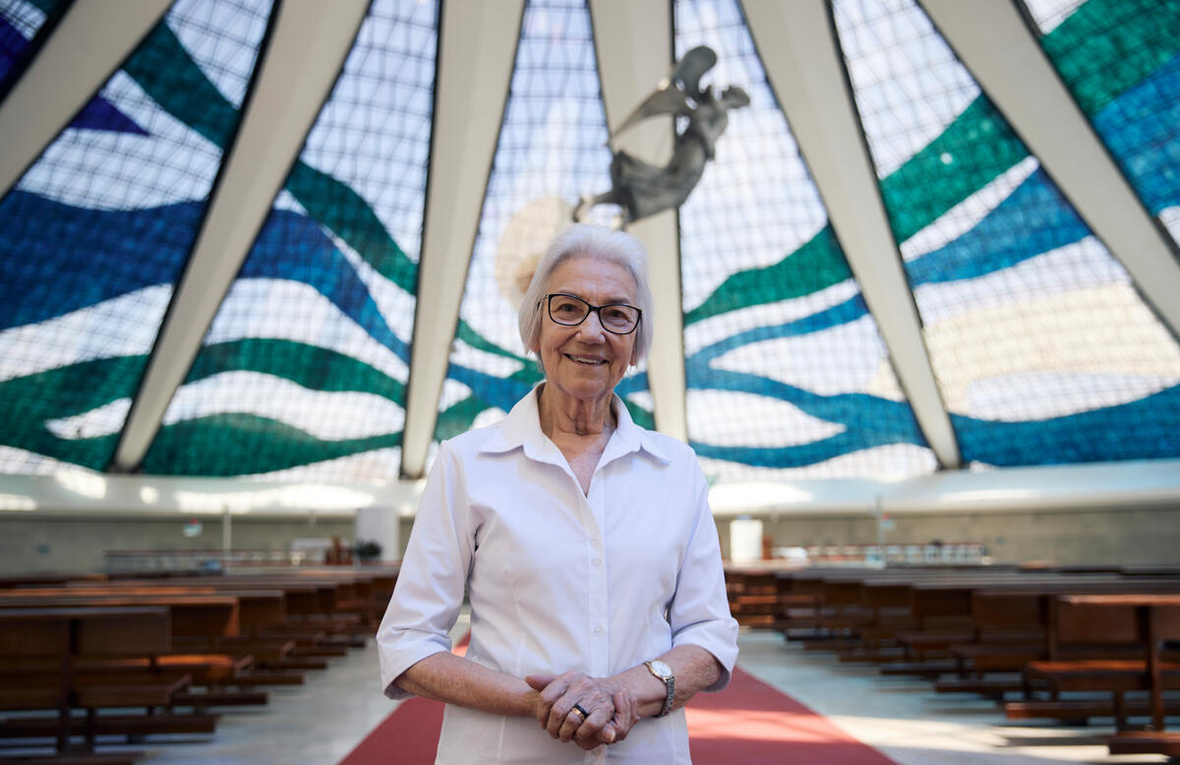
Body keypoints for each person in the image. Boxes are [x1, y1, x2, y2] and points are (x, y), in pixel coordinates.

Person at [376, 224, 739, 763]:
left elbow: (709, 634)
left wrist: (625, 693)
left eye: (616, 314)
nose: (592, 332)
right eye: (568, 308)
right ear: (533, 330)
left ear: (635, 344)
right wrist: (541, 701)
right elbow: (407, 643)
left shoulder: (677, 469)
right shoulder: (466, 463)